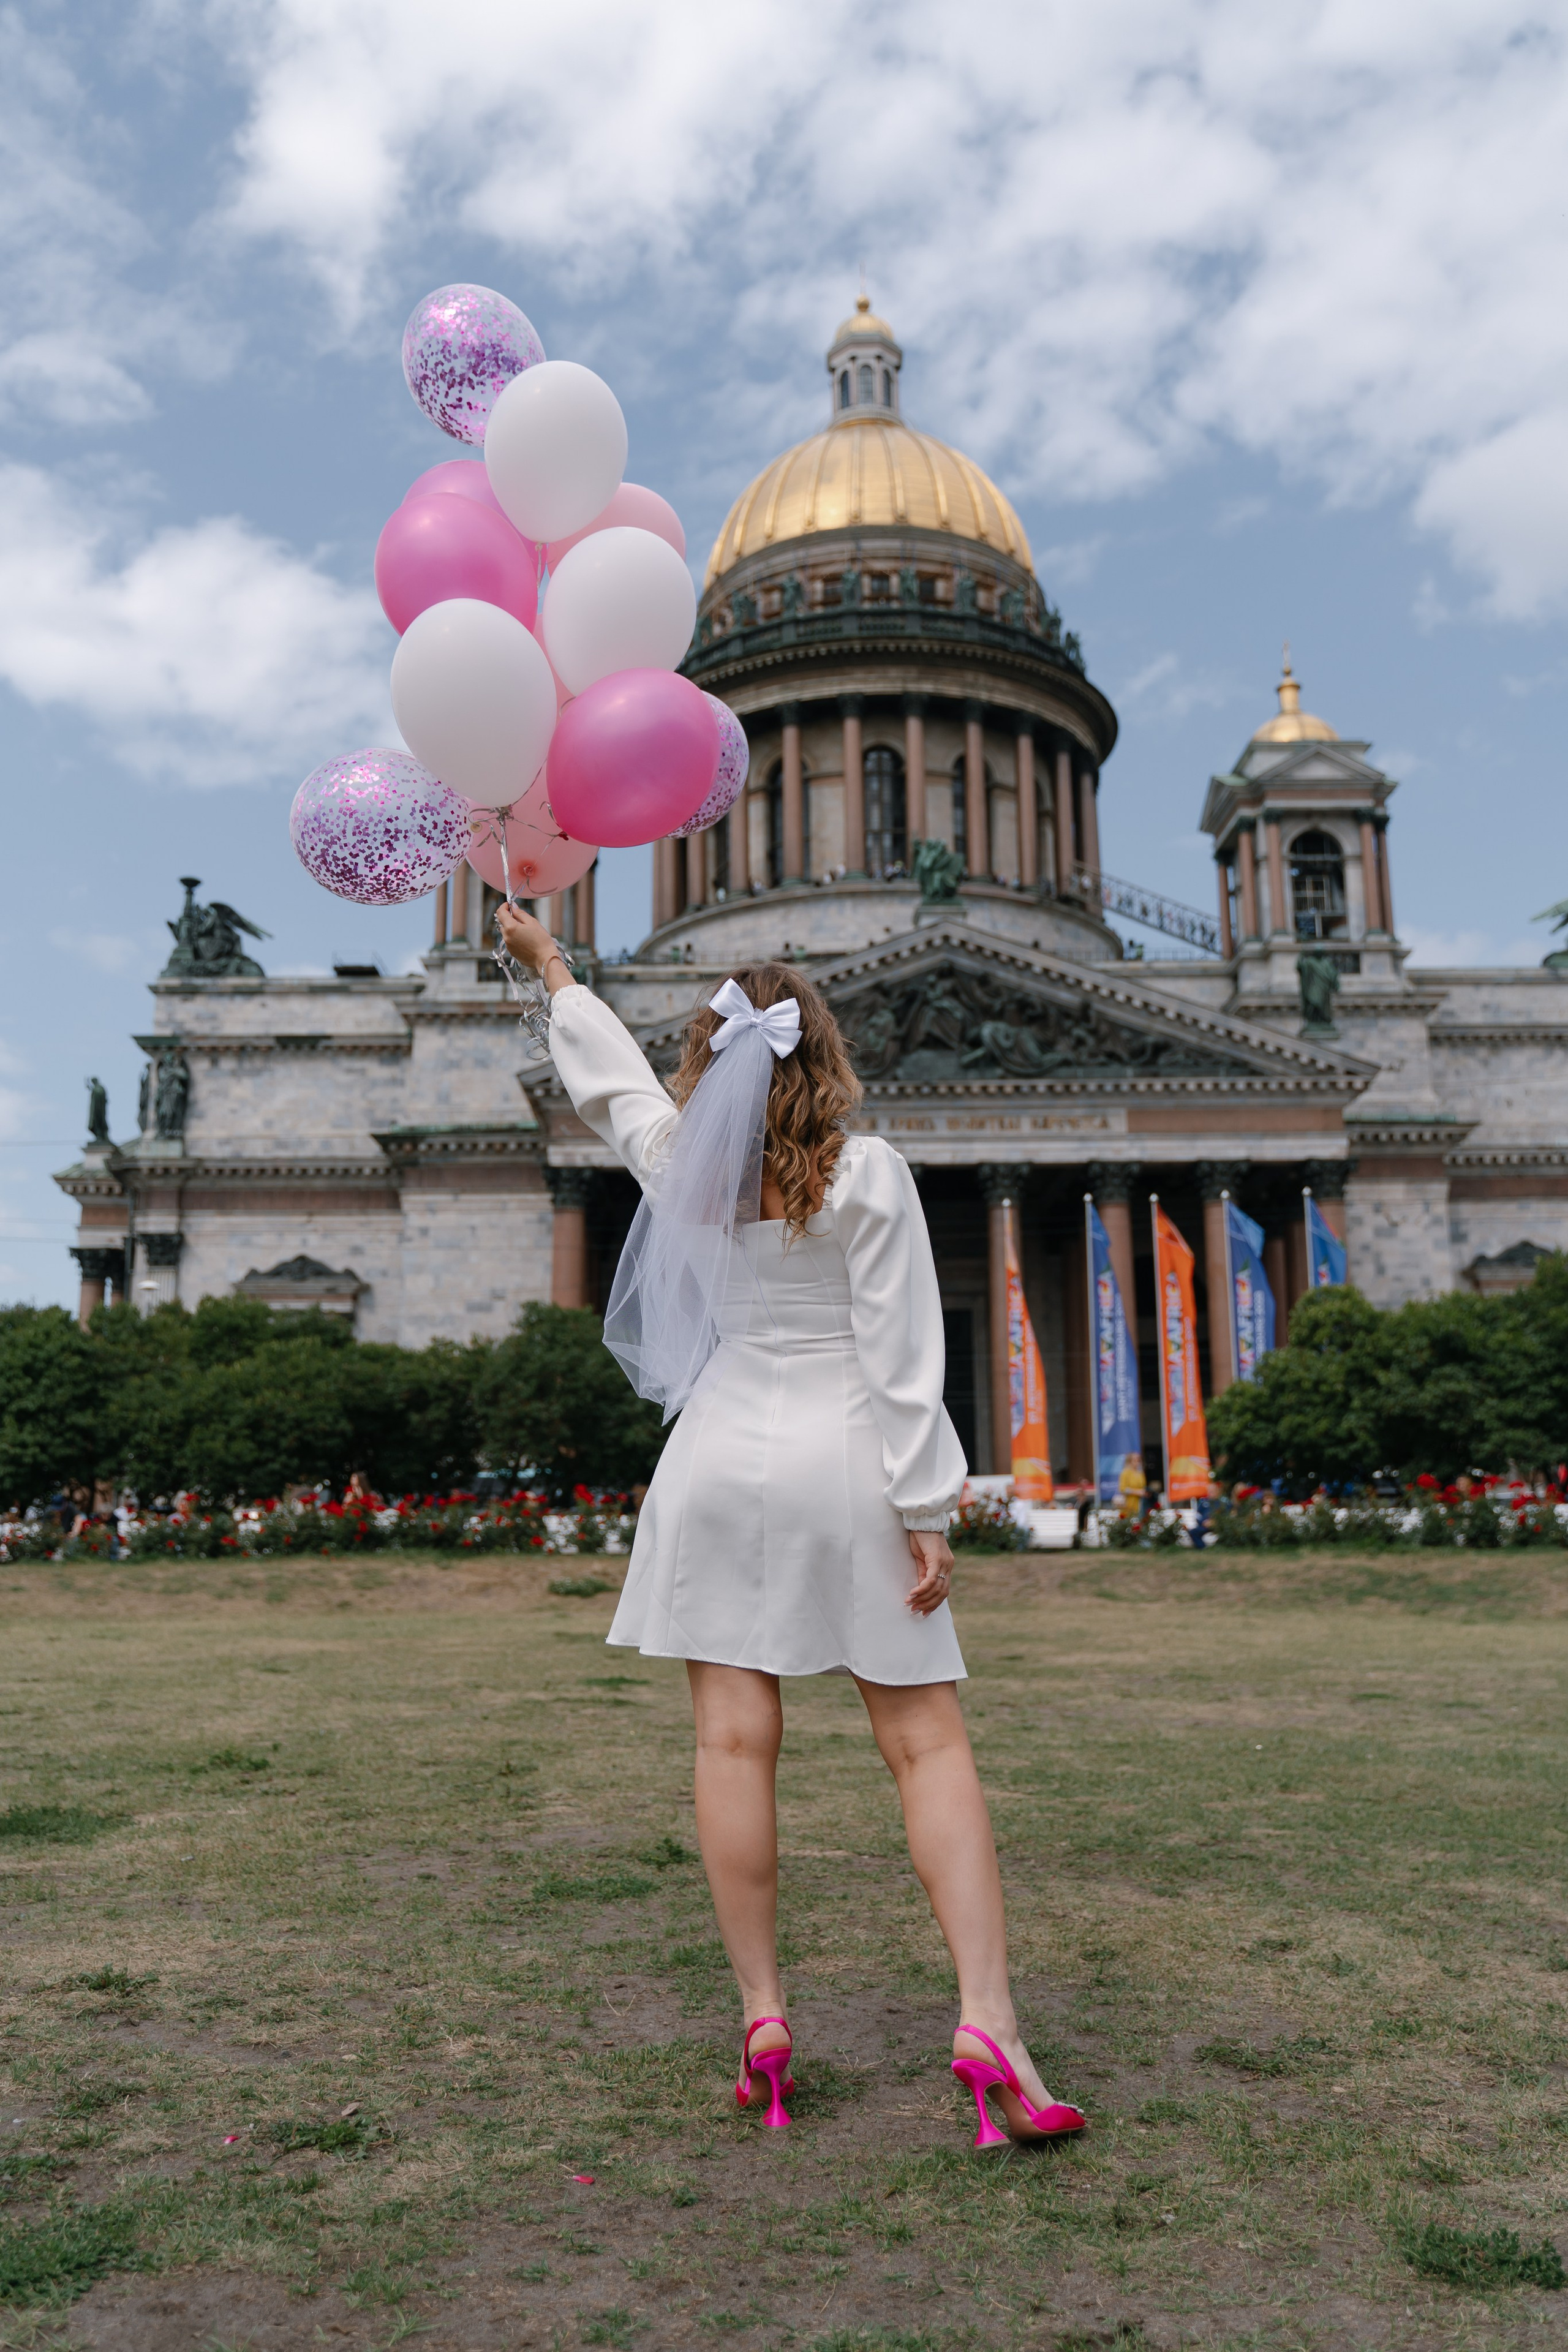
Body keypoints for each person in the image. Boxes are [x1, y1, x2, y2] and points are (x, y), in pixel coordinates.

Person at [497, 903, 1085, 2150]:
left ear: (712, 1068)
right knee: (924, 1745)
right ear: (822, 1056)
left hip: (713, 1457)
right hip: (844, 1459)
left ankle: (763, 2017)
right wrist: (927, 1507)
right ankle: (987, 2020)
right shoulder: (865, 1175)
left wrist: (550, 967)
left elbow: (605, 1080)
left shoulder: (683, 1164)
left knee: (731, 1740)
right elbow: (903, 1355)